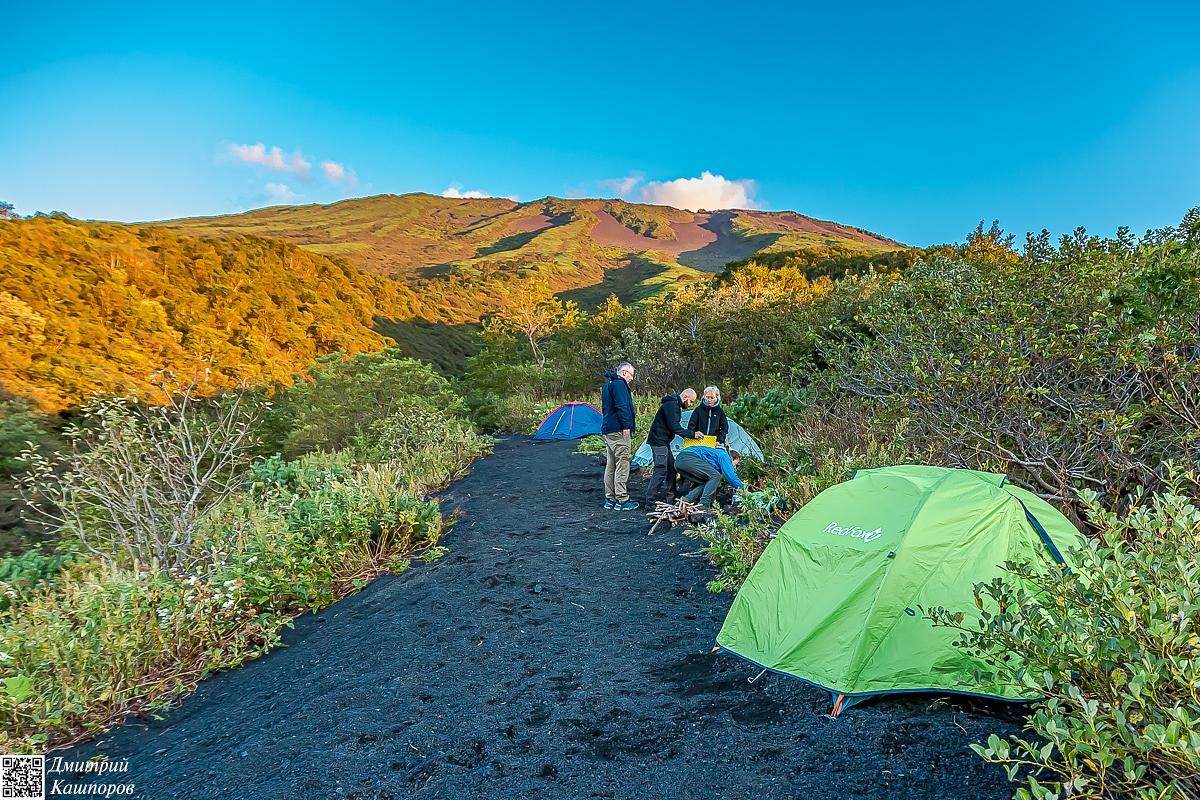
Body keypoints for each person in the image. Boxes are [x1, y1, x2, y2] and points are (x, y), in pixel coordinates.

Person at [645, 388, 703, 504]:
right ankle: (650, 501)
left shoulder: (673, 404)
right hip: (659, 441)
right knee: (660, 470)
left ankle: (670, 496)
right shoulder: (672, 406)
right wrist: (692, 434)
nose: (691, 404)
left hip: (664, 442)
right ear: (685, 396)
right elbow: (674, 427)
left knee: (672, 468)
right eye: (691, 401)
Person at [600, 361, 639, 511]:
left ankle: (610, 498)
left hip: (608, 429)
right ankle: (622, 500)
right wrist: (626, 425)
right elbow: (622, 406)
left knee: (611, 464)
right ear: (624, 373)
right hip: (619, 430)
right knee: (622, 464)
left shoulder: (608, 385)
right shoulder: (619, 385)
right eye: (631, 375)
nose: (631, 379)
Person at [674, 446, 744, 509]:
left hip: (679, 462)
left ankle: (686, 500)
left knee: (708, 482)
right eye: (735, 464)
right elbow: (731, 476)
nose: (734, 468)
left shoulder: (715, 457)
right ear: (731, 458)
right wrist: (744, 489)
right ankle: (704, 504)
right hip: (688, 457)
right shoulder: (724, 455)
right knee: (715, 476)